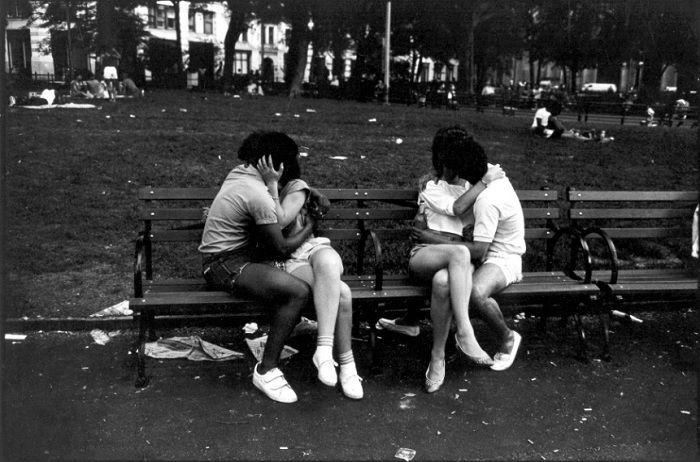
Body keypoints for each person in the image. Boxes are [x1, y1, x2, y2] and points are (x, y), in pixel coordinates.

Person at [380, 126, 525, 385]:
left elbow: (475, 233)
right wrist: (484, 182)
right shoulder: (432, 184)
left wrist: (483, 181)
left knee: (444, 281)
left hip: (458, 261)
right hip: (427, 254)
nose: (448, 166)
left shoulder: (477, 185)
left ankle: (437, 357)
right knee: (458, 253)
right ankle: (465, 331)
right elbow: (458, 209)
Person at [199, 132, 320, 404]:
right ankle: (266, 370)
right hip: (224, 265)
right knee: (297, 292)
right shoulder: (257, 195)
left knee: (292, 278)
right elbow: (281, 247)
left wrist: (304, 189)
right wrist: (311, 225)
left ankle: (293, 323)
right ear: (276, 166)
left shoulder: (240, 173)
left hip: (231, 257)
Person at [255, 145, 364, 400]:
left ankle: (324, 350)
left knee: (328, 261)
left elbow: (280, 221)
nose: (263, 171)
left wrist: (274, 186)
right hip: (289, 261)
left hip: (309, 250)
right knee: (343, 293)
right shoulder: (256, 189)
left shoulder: (295, 186)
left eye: (268, 167)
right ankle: (347, 366)